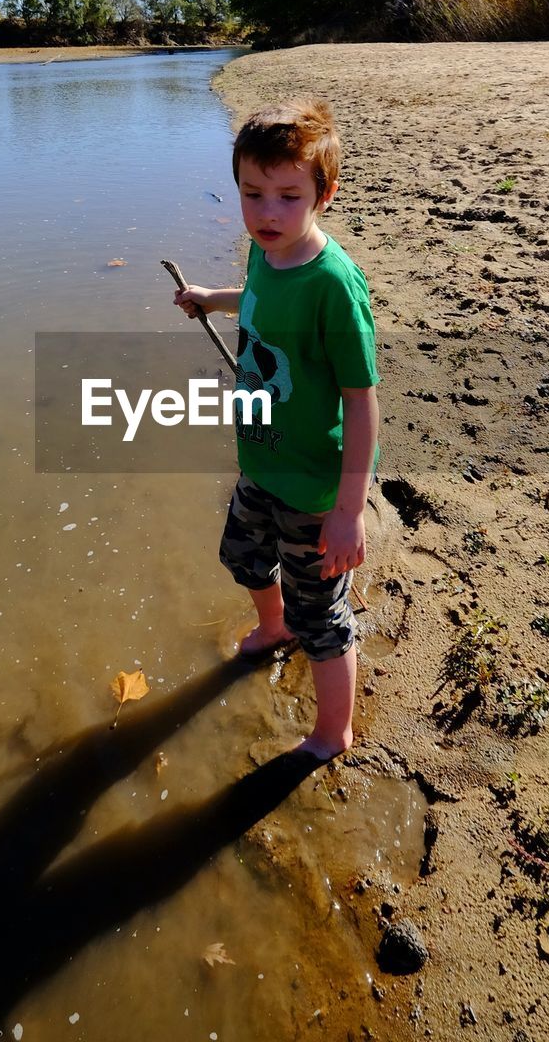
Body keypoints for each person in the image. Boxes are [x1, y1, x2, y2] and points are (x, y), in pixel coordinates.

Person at [174, 99, 379, 760]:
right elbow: (256, 293)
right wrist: (211, 296)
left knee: (324, 618)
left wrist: (349, 511)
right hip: (259, 460)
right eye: (252, 193)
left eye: (289, 196)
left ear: (325, 193)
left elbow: (362, 399)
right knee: (241, 555)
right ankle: (273, 625)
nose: (267, 212)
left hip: (315, 489)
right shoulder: (267, 251)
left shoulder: (333, 285)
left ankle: (332, 732)